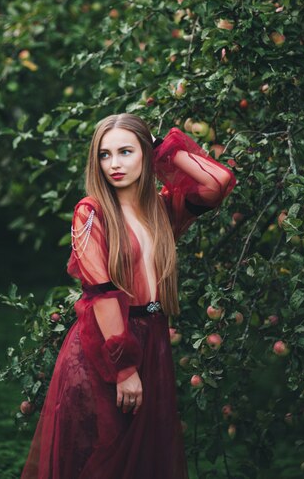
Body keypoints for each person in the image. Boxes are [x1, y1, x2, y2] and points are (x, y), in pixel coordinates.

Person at [20, 113, 237, 479]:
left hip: (153, 337)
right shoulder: (91, 212)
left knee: (142, 460)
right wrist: (123, 368)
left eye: (126, 151)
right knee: (102, 456)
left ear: (145, 156)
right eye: (105, 154)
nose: (115, 164)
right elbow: (101, 292)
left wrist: (164, 149)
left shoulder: (163, 207)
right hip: (107, 344)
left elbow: (219, 181)